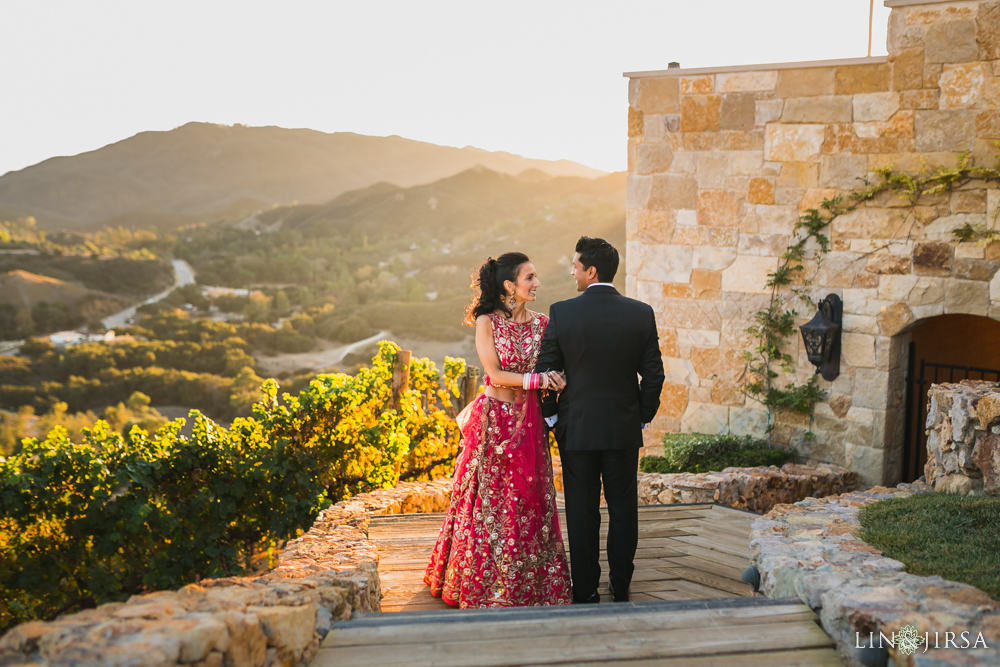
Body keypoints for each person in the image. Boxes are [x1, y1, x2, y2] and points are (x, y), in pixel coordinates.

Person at [424, 252, 572, 608]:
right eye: (530, 278)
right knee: (487, 499)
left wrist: (555, 380)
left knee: (526, 498)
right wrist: (539, 379)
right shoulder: (486, 322)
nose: (537, 284)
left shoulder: (543, 324)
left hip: (529, 420)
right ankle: (480, 581)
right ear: (510, 285)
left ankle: (527, 584)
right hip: (495, 419)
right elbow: (494, 373)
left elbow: (555, 366)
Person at [536, 236, 664, 603]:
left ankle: (586, 588)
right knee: (624, 508)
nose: (572, 272)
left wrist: (553, 417)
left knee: (581, 509)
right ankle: (621, 584)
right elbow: (654, 376)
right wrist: (639, 417)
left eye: (576, 266)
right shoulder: (641, 312)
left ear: (591, 271)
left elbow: (545, 371)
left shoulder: (562, 312)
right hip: (622, 429)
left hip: (575, 428)